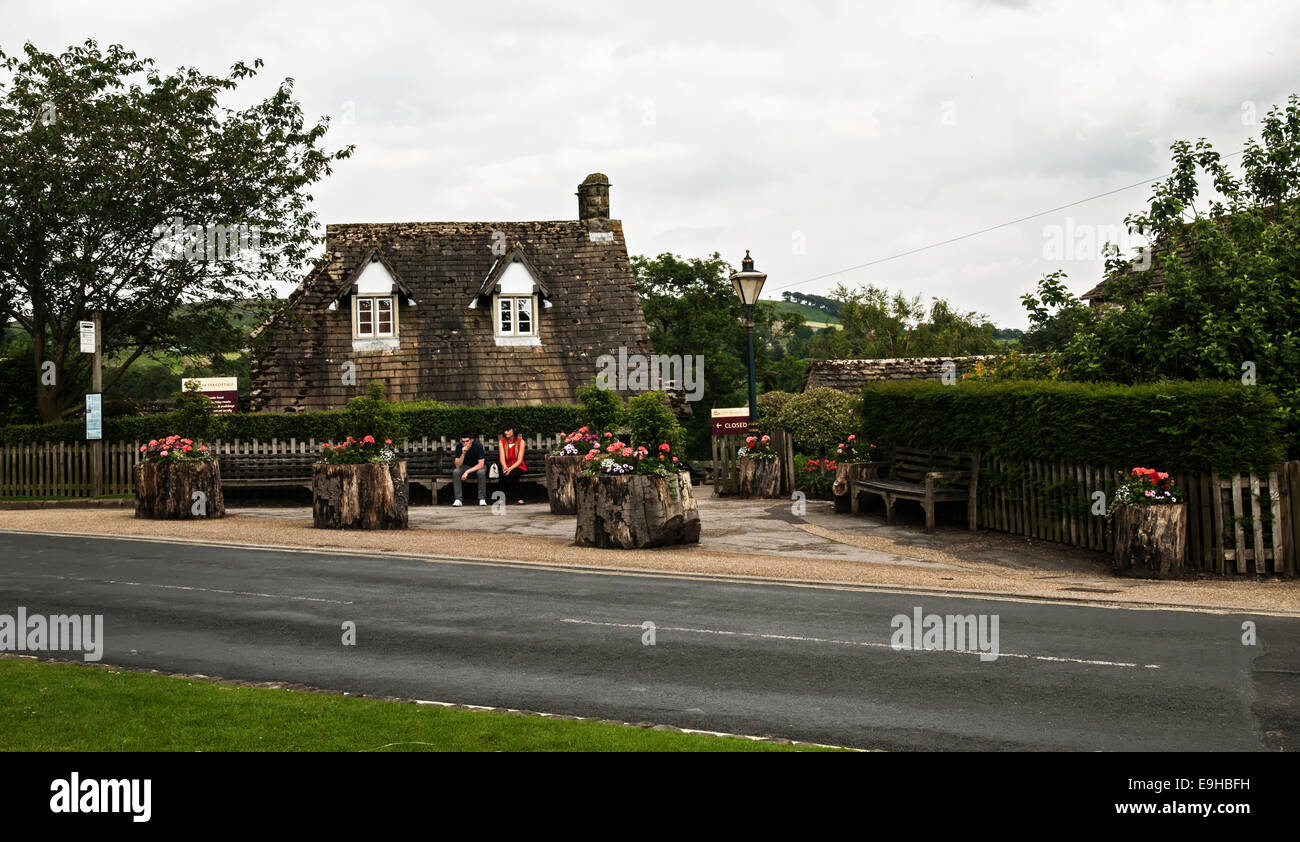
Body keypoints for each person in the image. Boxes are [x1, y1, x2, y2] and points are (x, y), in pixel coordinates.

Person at [452, 433, 487, 506]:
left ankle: (482, 499)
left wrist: (467, 472)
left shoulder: (478, 446)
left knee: (481, 472)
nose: (465, 443)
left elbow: (481, 464)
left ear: (472, 440)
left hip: (478, 466)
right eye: (463, 441)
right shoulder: (459, 447)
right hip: (465, 466)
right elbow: (457, 465)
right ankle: (458, 499)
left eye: (467, 441)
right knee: (456, 472)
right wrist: (463, 453)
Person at [498, 424, 527, 505]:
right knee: (502, 475)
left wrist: (510, 469)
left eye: (508, 430)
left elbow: (520, 460)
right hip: (506, 465)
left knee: (513, 474)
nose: (506, 432)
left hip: (518, 466)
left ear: (514, 430)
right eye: (505, 430)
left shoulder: (521, 442)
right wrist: (504, 466)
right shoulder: (502, 442)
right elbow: (502, 457)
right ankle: (501, 498)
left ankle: (520, 498)